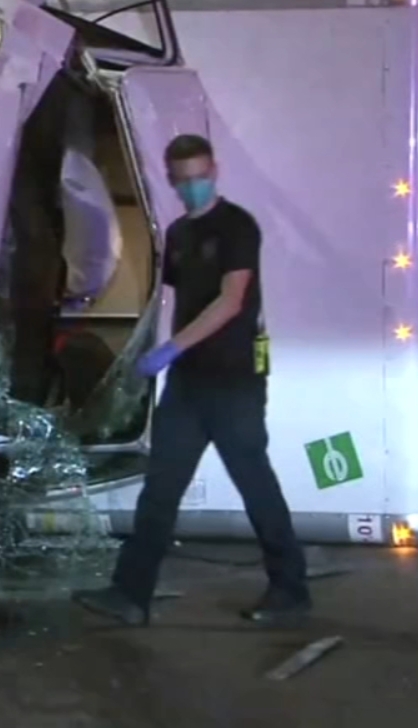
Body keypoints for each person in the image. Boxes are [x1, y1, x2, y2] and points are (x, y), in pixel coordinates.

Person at [73, 133, 310, 626]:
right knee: (161, 488)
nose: (194, 186)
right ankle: (130, 593)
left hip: (235, 382)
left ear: (214, 171)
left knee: (254, 484)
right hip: (188, 385)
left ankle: (291, 591)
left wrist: (170, 349)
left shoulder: (237, 227)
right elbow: (177, 300)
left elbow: (230, 300)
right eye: (185, 180)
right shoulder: (179, 235)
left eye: (201, 177)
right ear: (172, 181)